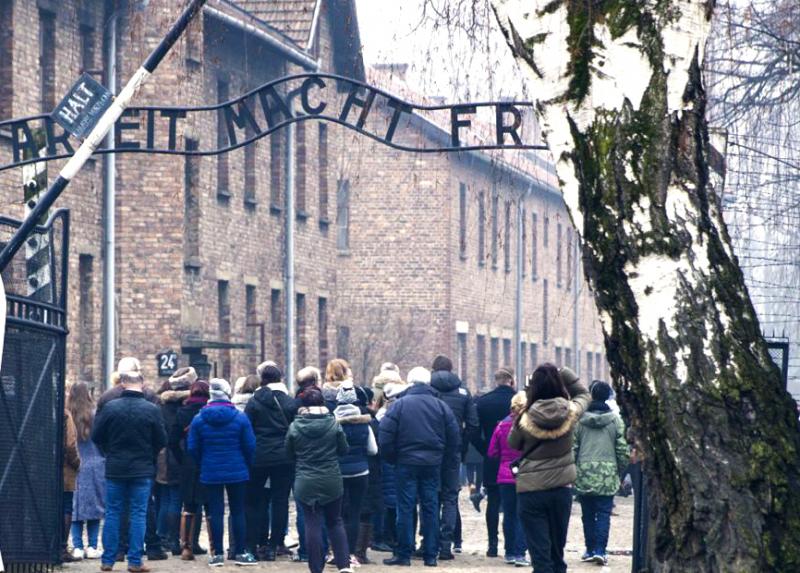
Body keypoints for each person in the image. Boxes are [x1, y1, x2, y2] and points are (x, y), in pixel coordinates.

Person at [509, 365, 590, 573]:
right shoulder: (570, 412)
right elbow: (583, 394)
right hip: (561, 488)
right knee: (557, 552)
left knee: (539, 553)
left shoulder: (524, 417)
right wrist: (565, 373)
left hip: (531, 491)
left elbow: (513, 444)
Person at [379, 366, 460, 567]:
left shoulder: (399, 405)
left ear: (410, 382)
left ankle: (404, 553)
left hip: (405, 462)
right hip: (432, 463)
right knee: (430, 507)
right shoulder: (441, 406)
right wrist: (443, 458)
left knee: (405, 508)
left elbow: (386, 435)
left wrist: (392, 458)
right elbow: (453, 438)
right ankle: (431, 555)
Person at [91, 357, 167, 572]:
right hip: (142, 469)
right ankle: (135, 561)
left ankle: (108, 560)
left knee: (113, 512)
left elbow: (96, 436)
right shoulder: (151, 409)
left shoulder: (110, 407)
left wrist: (109, 451)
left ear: (122, 383)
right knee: (138, 513)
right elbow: (161, 439)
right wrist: (149, 454)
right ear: (141, 384)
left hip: (115, 467)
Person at [188, 378, 257, 566]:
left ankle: (217, 553)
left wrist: (202, 462)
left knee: (216, 512)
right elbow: (250, 446)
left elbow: (193, 447)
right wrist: (246, 464)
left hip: (210, 470)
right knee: (237, 511)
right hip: (237, 469)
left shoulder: (199, 419)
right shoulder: (240, 417)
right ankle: (240, 552)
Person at [285, 387, 353, 573]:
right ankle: (344, 565)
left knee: (312, 523)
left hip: (305, 481)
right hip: (331, 479)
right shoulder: (333, 424)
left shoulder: (294, 427)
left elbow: (288, 453)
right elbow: (344, 449)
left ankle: (316, 568)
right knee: (335, 522)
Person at [429, 355, 480, 560]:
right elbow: (473, 424)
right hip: (453, 450)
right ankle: (445, 545)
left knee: (430, 495)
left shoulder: (428, 390)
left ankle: (428, 542)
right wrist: (462, 444)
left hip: (430, 449)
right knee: (450, 497)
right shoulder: (463, 392)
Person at [244, 363, 297, 560]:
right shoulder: (289, 402)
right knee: (281, 501)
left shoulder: (254, 401)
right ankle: (275, 545)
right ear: (280, 379)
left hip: (259, 456)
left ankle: (254, 544)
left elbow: (247, 429)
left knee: (255, 501)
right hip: (284, 457)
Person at [573, 381, 629, 566]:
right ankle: (600, 550)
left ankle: (589, 548)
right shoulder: (615, 421)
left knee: (587, 513)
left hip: (584, 471)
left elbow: (574, 448)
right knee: (604, 513)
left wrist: (574, 469)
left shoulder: (580, 420)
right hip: (608, 471)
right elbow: (622, 449)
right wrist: (620, 471)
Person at [333, 382, 378, 566]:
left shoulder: (332, 423)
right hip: (360, 472)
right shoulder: (364, 424)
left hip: (338, 473)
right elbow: (373, 450)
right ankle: (352, 553)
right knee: (355, 513)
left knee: (338, 514)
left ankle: (337, 551)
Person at [475, 367, 517, 557]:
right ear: (511, 380)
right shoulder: (519, 402)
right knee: (514, 504)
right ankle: (513, 544)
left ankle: (492, 545)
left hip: (492, 458)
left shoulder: (483, 402)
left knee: (493, 501)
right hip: (518, 458)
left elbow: (474, 431)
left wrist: (485, 449)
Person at [156, 367, 196, 555]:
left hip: (163, 456)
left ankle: (162, 536)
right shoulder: (187, 405)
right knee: (176, 499)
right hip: (179, 454)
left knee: (165, 498)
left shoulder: (161, 403)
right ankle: (173, 539)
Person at [169, 379, 210, 560]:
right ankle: (211, 546)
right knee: (209, 505)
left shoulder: (183, 413)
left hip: (189, 462)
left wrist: (181, 458)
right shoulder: (208, 412)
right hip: (209, 461)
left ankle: (186, 546)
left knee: (188, 505)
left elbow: (172, 441)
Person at [487, 392, 528, 567]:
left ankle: (509, 551)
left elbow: (492, 452)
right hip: (525, 474)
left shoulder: (502, 425)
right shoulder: (529, 426)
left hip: (504, 474)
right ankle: (520, 552)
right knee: (523, 515)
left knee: (509, 514)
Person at [68, 381, 105, 560]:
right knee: (95, 508)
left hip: (75, 463)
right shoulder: (95, 414)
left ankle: (77, 546)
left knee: (75, 509)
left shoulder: (68, 415)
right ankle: (92, 546)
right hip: (96, 462)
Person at [62, 405, 82, 562]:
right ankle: (61, 547)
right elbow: (70, 444)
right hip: (64, 470)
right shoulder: (65, 414)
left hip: (40, 469)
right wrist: (77, 463)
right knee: (66, 507)